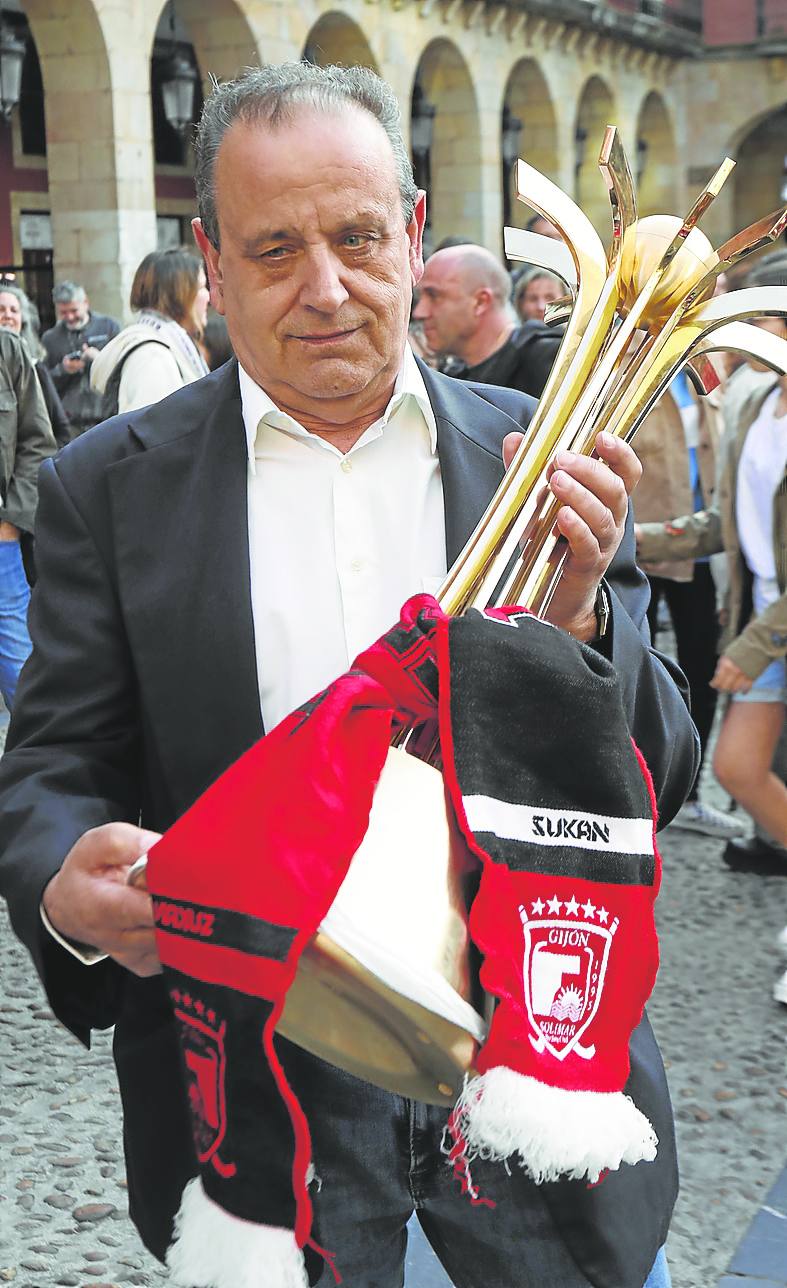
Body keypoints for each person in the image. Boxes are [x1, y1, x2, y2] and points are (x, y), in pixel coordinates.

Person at [0, 63, 698, 1288]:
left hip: (528, 1068)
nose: (325, 288)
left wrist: (583, 627)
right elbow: (54, 762)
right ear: (210, 262)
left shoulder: (538, 457)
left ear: (412, 231)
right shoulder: (108, 487)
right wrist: (62, 876)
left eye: (358, 236)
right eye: (274, 249)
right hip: (257, 1081)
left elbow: (664, 775)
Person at [636, 260, 787, 882]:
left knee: (742, 766)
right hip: (766, 620)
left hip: (768, 632)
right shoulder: (759, 404)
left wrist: (753, 646)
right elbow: (722, 519)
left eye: (762, 319)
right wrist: (625, 538)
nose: (744, 329)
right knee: (739, 768)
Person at [633, 369, 745, 841]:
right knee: (639, 666)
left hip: (697, 545)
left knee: (702, 665)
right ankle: (636, 789)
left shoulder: (711, 372)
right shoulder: (634, 366)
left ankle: (689, 794)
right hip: (639, 542)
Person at [413, 243, 561, 399]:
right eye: (420, 297)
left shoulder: (551, 361)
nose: (419, 312)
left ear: (480, 302)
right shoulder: (452, 377)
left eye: (434, 296)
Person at [0, 327, 56, 709]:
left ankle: (30, 765)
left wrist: (10, 523)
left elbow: (37, 441)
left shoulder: (7, 349)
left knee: (20, 672)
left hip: (2, 543)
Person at [90, 249, 210, 415]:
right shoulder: (153, 356)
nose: (209, 296)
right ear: (181, 295)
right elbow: (154, 436)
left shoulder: (160, 344)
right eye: (202, 287)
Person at [41, 282, 120, 436]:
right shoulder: (50, 338)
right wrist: (62, 370)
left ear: (85, 303)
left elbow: (123, 369)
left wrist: (99, 359)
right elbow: (44, 384)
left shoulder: (109, 327)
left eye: (74, 310)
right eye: (63, 313)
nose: (69, 317)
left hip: (106, 416)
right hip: (70, 423)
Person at [0, 284, 71, 447]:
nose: (8, 316)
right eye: (1, 309)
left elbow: (61, 431)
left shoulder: (36, 368)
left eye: (14, 311)